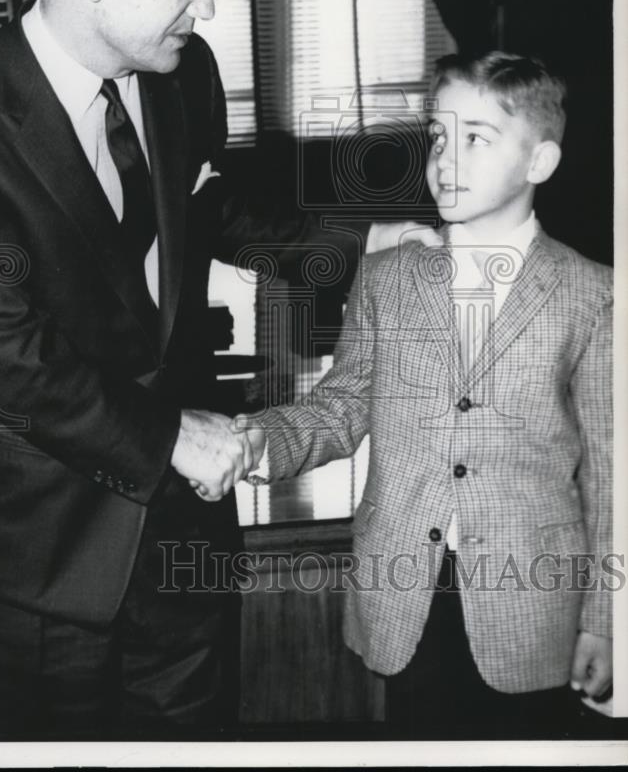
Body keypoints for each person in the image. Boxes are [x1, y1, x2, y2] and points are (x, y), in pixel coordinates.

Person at [0, 0, 433, 737]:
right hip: (43, 576)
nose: (203, 3)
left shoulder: (184, 76)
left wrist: (371, 242)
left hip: (185, 544)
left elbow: (221, 216)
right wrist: (173, 436)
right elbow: (1, 360)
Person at [236, 52, 613, 732]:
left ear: (540, 163)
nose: (447, 159)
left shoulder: (596, 294)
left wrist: (607, 621)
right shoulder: (388, 277)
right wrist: (254, 442)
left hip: (532, 604)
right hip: (405, 594)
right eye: (439, 136)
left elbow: (614, 477)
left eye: (476, 139)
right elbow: (341, 408)